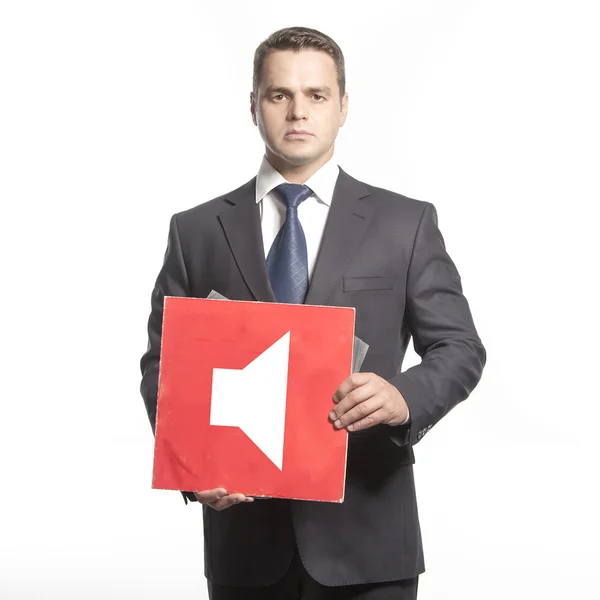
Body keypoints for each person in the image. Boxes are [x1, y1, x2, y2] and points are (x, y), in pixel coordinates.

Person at [140, 26, 486, 600]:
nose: (298, 111)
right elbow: (163, 368)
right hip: (244, 544)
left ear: (343, 106)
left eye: (317, 95)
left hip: (369, 538)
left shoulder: (406, 223)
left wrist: (405, 398)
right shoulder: (196, 231)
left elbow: (460, 349)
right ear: (254, 106)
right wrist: (192, 468)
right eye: (279, 95)